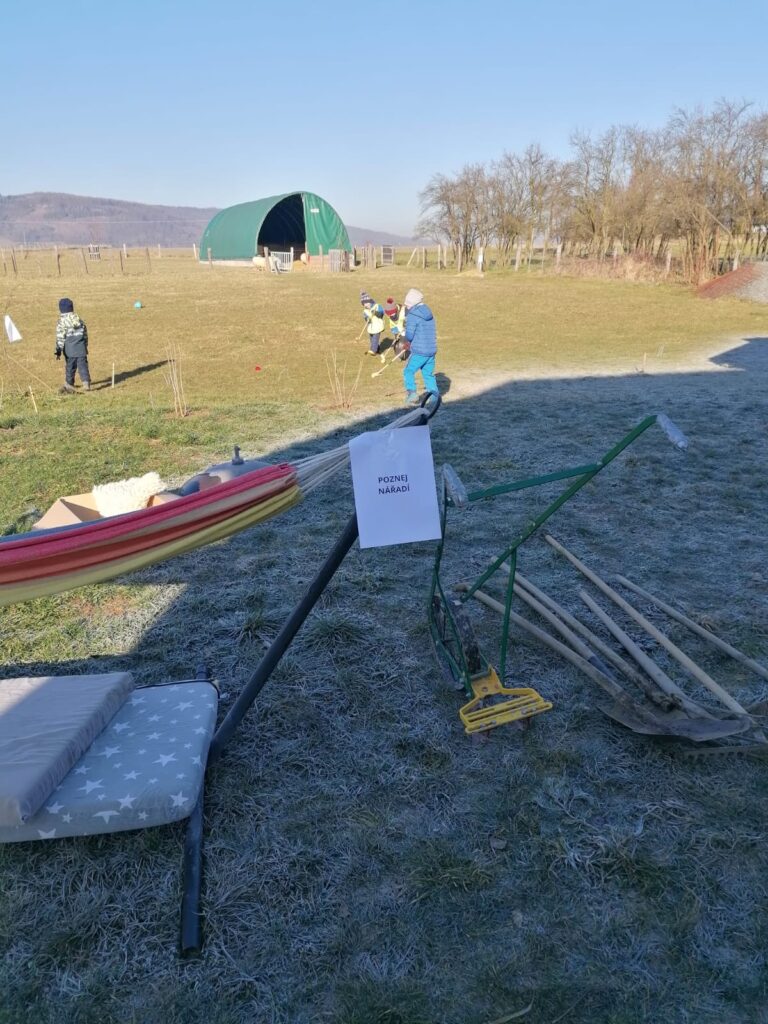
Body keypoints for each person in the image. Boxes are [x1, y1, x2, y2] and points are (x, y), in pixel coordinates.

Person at [402, 288, 437, 404]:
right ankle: (435, 396)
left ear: (413, 303)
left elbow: (409, 336)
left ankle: (412, 394)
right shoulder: (429, 314)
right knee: (428, 374)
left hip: (419, 351)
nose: (406, 306)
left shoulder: (413, 315)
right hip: (431, 350)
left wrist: (404, 334)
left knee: (408, 371)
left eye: (408, 303)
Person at [55, 298, 91, 393]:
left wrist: (58, 350)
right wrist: (85, 345)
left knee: (70, 367)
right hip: (81, 348)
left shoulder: (61, 322)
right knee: (83, 366)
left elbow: (60, 337)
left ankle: (69, 383)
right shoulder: (79, 320)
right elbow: (85, 334)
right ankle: (86, 383)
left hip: (70, 350)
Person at [360, 290, 385, 356]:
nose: (366, 305)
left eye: (367, 303)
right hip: (371, 327)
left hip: (378, 326)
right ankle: (377, 349)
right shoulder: (365, 311)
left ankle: (373, 350)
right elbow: (365, 317)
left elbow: (382, 313)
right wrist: (367, 319)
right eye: (364, 304)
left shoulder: (377, 306)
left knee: (375, 339)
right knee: (372, 339)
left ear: (370, 301)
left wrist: (376, 313)